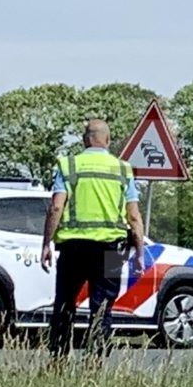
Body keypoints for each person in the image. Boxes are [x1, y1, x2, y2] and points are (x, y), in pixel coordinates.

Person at [43, 118, 142, 358]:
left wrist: (46, 242)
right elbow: (134, 217)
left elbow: (56, 207)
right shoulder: (122, 169)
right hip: (112, 250)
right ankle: (94, 364)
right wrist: (139, 253)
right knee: (103, 308)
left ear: (85, 140)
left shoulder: (68, 166)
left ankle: (57, 360)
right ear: (107, 140)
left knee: (65, 304)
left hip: (73, 247)